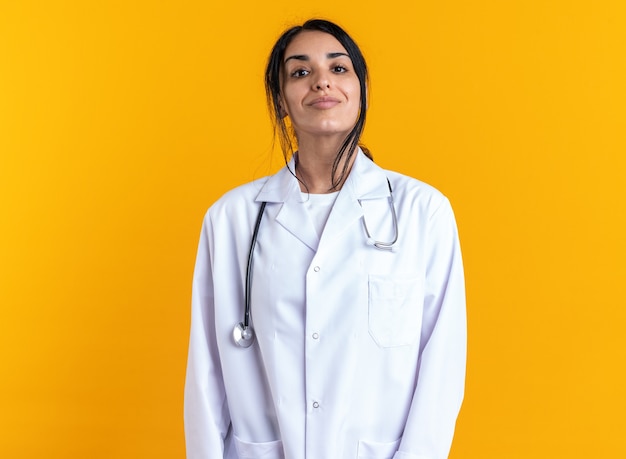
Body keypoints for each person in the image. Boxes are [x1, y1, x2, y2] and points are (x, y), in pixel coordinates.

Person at [184, 18, 466, 459]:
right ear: (281, 100)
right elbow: (206, 374)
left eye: (338, 69)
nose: (321, 82)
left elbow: (442, 368)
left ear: (362, 89)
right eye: (300, 72)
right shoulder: (232, 219)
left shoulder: (422, 212)